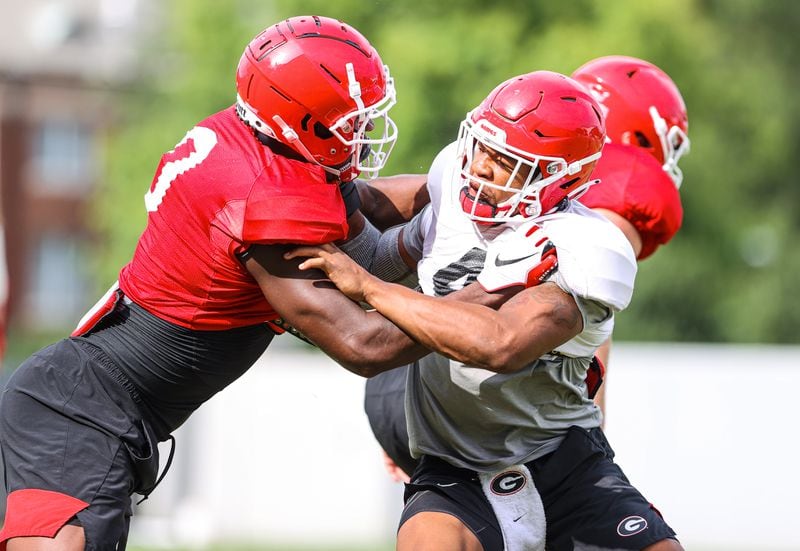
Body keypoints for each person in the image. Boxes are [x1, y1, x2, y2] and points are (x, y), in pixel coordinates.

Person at [0, 15, 435, 550]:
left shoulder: (264, 140)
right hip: (79, 411)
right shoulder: (257, 193)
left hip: (94, 402)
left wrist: (464, 192)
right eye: (351, 119)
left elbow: (368, 221)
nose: (364, 132)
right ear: (301, 117)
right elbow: (362, 342)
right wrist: (486, 308)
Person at [292, 70, 682, 550]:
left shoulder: (589, 247)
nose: (479, 167)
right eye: (479, 146)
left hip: (564, 461)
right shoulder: (456, 179)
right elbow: (380, 239)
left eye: (505, 161)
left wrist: (370, 289)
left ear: (559, 180)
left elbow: (500, 344)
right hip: (450, 466)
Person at [362, 54, 691, 481]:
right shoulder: (618, 188)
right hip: (479, 396)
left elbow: (401, 209)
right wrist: (591, 439)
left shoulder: (482, 158)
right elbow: (579, 323)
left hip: (409, 375)